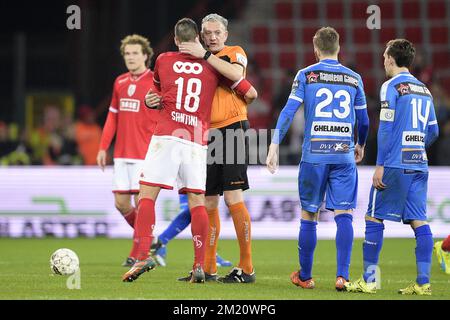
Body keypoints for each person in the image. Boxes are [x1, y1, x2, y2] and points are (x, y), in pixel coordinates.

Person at [122, 18, 256, 283]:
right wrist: (155, 99)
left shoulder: (232, 53)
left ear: (226, 34)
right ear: (200, 36)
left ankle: (247, 267)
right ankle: (207, 267)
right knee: (207, 201)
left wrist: (205, 55)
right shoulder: (205, 64)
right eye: (208, 34)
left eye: (218, 33)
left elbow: (244, 84)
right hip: (203, 135)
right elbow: (166, 92)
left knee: (232, 198)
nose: (214, 37)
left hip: (231, 130)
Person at [266, 27, 369, 290]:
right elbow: (365, 120)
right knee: (344, 213)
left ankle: (306, 276)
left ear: (315, 47)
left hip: (314, 155)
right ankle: (342, 276)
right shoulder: (354, 78)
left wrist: (274, 144)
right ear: (338, 47)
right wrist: (361, 143)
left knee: (309, 213)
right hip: (344, 154)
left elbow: (288, 111)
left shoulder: (306, 75)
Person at [344, 39, 439, 295]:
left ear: (390, 59)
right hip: (419, 163)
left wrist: (381, 164)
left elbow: (385, 128)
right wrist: (416, 147)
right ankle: (423, 283)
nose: (383, 60)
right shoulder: (425, 90)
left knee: (373, 217)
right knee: (419, 221)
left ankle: (370, 280)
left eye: (384, 56)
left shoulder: (390, 87)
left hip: (395, 163)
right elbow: (433, 130)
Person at [96, 34, 159, 267]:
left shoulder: (155, 81)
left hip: (146, 153)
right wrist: (103, 147)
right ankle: (150, 239)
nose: (131, 57)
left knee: (143, 203)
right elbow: (112, 117)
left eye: (135, 53)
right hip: (122, 154)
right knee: (121, 203)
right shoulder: (120, 82)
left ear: (146, 56)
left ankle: (137, 252)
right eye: (127, 54)